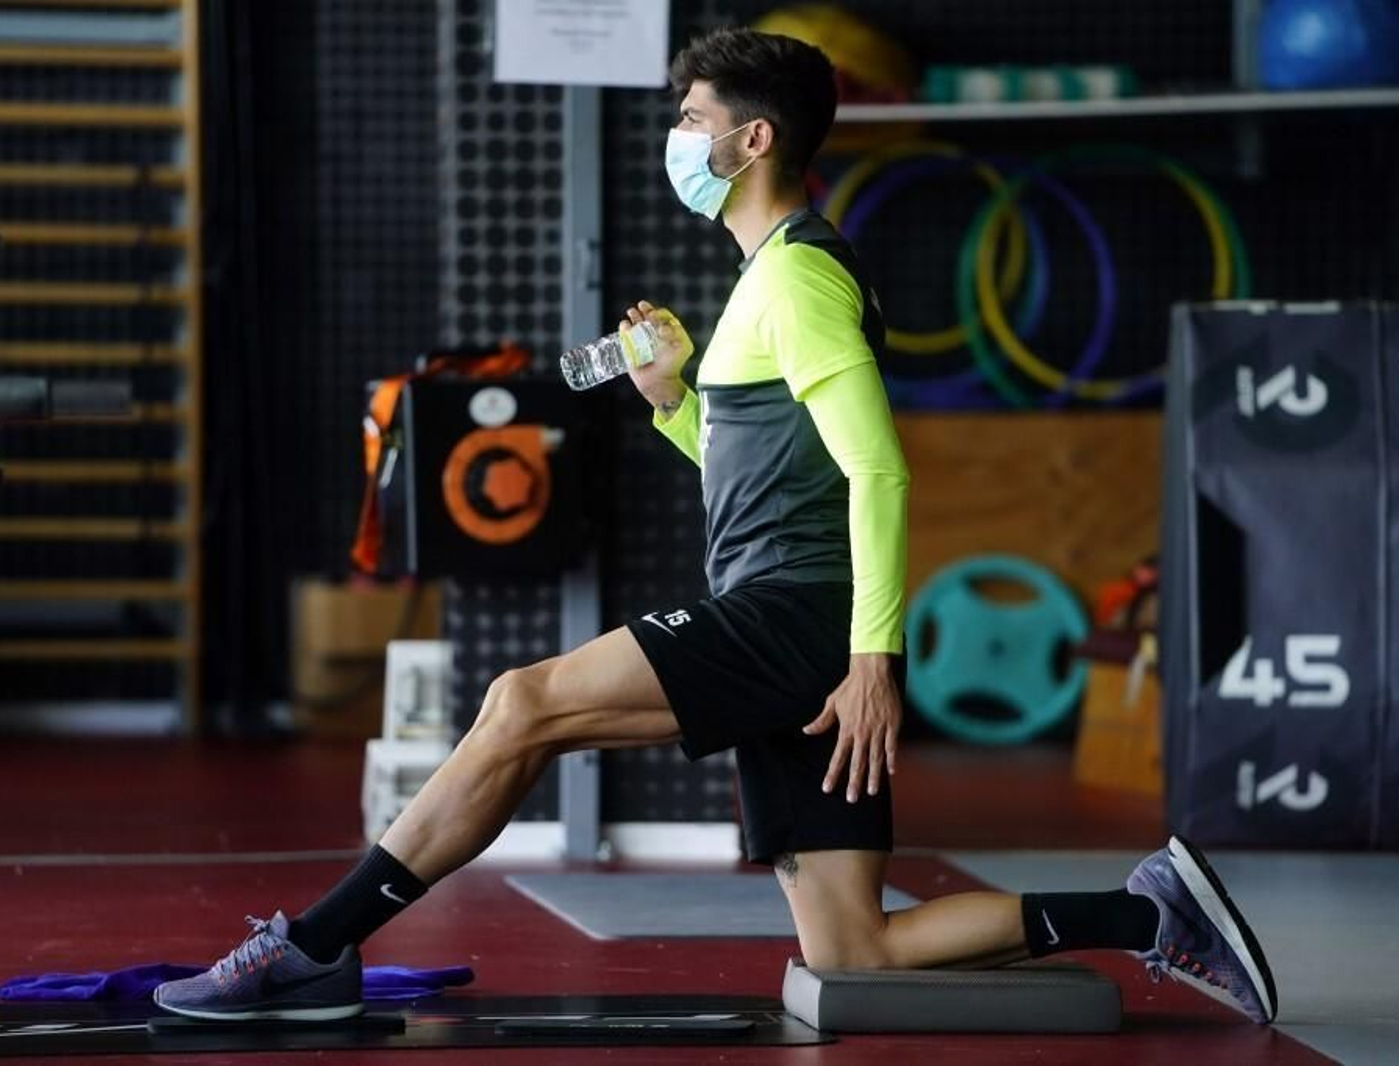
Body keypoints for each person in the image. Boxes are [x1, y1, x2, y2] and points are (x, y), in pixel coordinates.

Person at [154, 27, 1277, 1026]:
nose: (674, 139)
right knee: (854, 945)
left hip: (793, 617)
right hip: (795, 617)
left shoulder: (798, 281)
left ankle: (310, 947)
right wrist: (671, 402)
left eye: (690, 120)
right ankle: (1146, 912)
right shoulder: (760, 286)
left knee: (519, 704)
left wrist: (870, 657)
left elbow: (875, 471)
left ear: (750, 139)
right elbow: (760, 472)